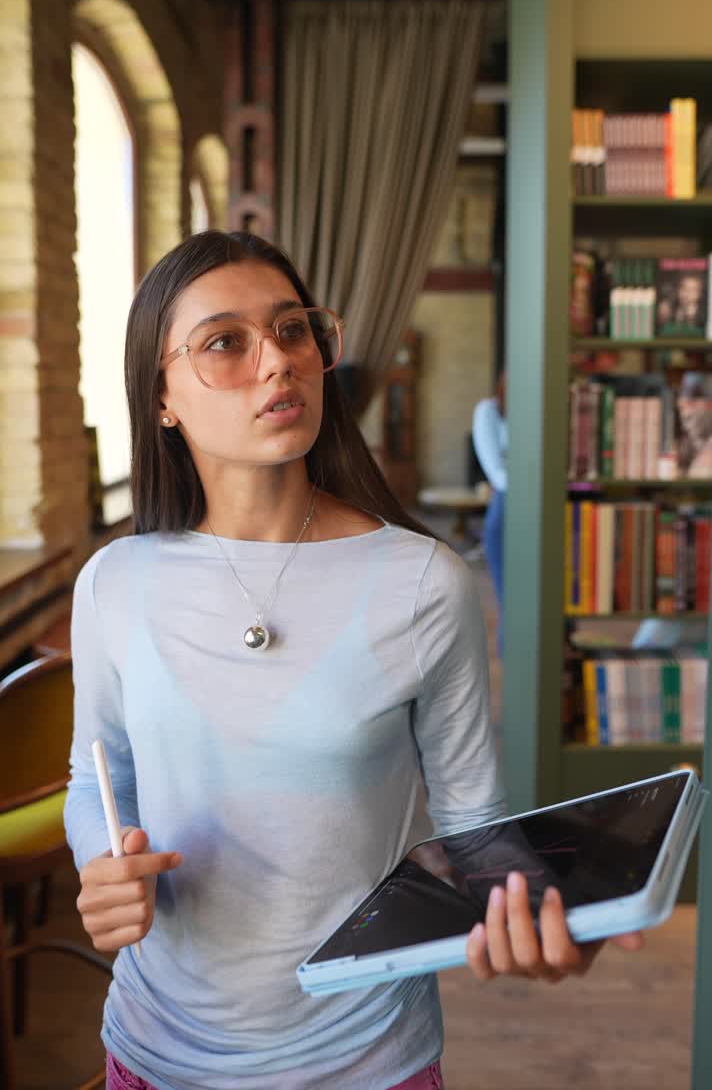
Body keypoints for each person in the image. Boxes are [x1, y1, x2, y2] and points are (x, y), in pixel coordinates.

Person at [65, 232, 643, 1090]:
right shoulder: (114, 582)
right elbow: (96, 777)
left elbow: (472, 826)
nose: (278, 362)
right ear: (160, 398)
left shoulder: (422, 583)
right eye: (226, 343)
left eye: (293, 330)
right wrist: (102, 867)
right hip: (154, 1052)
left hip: (368, 1058)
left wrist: (546, 909)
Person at [471, 371, 507, 656]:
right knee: (512, 603)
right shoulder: (489, 411)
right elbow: (498, 475)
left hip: (544, 509)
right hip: (507, 511)